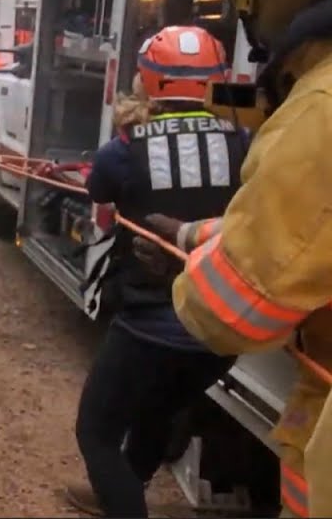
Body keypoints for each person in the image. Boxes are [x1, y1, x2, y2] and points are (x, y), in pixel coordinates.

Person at [150, 0, 332, 519]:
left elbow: (234, 310)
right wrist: (197, 232)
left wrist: (177, 259)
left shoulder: (319, 111)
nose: (240, 6)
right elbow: (306, 236)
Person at [65, 26, 244, 518]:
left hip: (152, 324)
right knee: (156, 411)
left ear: (148, 79)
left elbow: (101, 204)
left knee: (95, 432)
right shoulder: (245, 141)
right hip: (221, 330)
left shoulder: (123, 149)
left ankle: (120, 497)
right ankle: (122, 489)